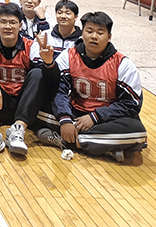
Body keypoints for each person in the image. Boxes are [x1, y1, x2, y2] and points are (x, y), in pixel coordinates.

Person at [36, 12, 147, 162]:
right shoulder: (68, 55)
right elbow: (59, 90)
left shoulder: (123, 64)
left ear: (109, 37)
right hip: (76, 114)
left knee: (138, 133)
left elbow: (131, 104)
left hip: (107, 119)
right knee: (37, 110)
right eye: (89, 31)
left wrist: (95, 117)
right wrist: (65, 119)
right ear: (82, 33)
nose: (94, 36)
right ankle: (105, 145)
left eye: (100, 33)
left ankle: (69, 141)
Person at [0, 3, 57, 160]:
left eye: (13, 22)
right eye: (3, 22)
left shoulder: (32, 45)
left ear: (20, 26)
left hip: (23, 106)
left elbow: (52, 81)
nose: (8, 26)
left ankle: (18, 130)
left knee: (38, 73)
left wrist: (49, 63)